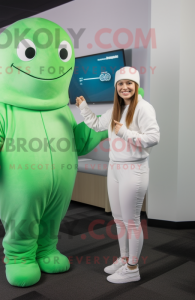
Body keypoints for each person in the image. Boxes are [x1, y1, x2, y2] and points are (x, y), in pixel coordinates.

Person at [76, 67, 160, 284]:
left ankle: (133, 267)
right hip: (115, 168)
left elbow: (153, 138)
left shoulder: (143, 108)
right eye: (120, 84)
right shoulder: (116, 107)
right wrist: (84, 108)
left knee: (131, 221)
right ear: (116, 87)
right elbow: (96, 125)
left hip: (134, 169)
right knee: (119, 220)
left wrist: (124, 132)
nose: (125, 87)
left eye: (129, 83)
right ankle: (124, 259)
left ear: (136, 85)